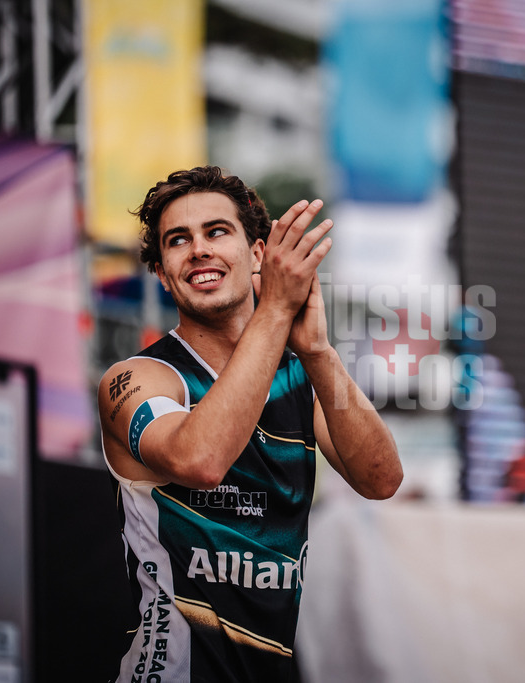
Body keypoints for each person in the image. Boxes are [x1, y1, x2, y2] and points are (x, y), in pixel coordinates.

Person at [97, 166, 403, 682]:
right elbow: (201, 460)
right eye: (178, 240)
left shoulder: (299, 378)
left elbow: (382, 479)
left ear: (257, 254)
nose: (198, 249)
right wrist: (276, 310)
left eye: (217, 232)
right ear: (163, 271)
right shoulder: (138, 379)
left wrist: (318, 351)